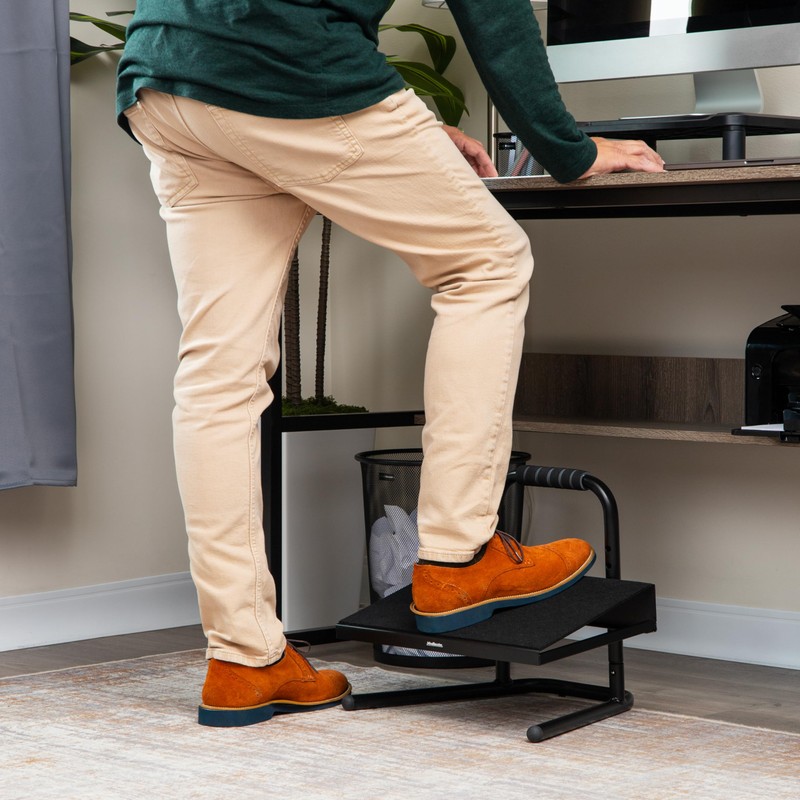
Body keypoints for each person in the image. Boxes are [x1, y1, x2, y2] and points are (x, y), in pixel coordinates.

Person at [116, 0, 664, 728]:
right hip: (287, 67)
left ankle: (243, 659)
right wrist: (569, 149)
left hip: (168, 75)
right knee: (488, 264)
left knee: (220, 375)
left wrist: (398, 135)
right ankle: (458, 557)